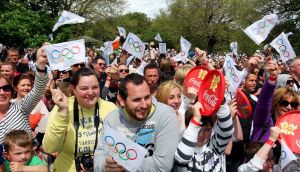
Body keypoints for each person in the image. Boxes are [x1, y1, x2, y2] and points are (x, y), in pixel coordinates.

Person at [94, 73, 179, 171]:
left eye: (147, 97)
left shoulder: (166, 115)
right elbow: (100, 156)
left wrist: (123, 162)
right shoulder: (112, 118)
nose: (144, 105)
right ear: (121, 100)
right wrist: (105, 166)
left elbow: (162, 166)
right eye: (137, 100)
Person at [43, 67, 117, 172]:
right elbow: (49, 148)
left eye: (95, 87)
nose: (91, 93)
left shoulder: (110, 108)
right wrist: (63, 113)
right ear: (74, 89)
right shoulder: (62, 106)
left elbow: (116, 147)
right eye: (84, 88)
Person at [0, 46, 48, 143]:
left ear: (11, 90)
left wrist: (41, 65)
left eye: (6, 88)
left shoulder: (21, 107)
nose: (2, 92)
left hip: (27, 157)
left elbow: (38, 90)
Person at [174, 101, 233, 171]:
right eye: (197, 129)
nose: (202, 135)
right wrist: (196, 120)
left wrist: (221, 103)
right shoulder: (182, 145)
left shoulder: (214, 146)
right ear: (188, 126)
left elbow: (227, 132)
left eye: (207, 130)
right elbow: (182, 158)